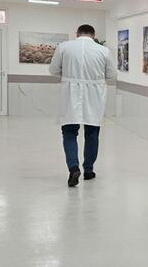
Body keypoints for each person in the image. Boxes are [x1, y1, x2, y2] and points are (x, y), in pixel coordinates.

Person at [48, 24, 115, 187]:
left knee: (69, 132)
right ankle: (89, 170)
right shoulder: (103, 51)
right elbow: (112, 74)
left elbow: (53, 70)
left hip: (70, 93)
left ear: (77, 34)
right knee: (92, 134)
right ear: (94, 35)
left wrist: (69, 76)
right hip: (95, 95)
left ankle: (73, 167)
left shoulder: (64, 47)